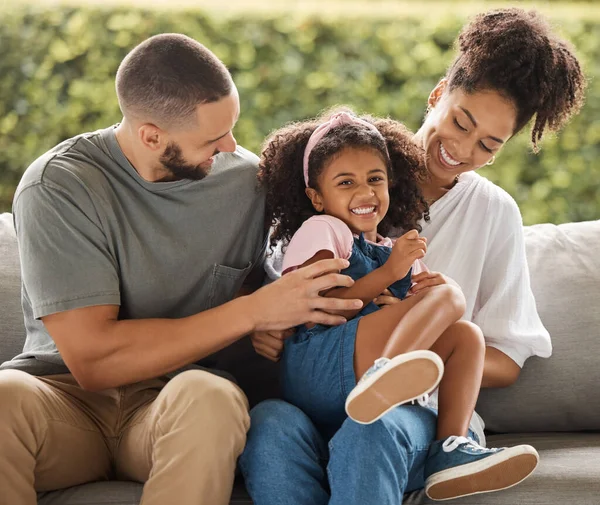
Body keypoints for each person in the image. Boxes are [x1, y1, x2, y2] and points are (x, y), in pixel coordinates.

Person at [240, 7, 586, 505]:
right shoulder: (355, 169)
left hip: (414, 409)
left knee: (373, 429)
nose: (463, 149)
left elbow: (508, 359)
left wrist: (421, 348)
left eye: (489, 144)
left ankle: (414, 407)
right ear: (438, 94)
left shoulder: (493, 213)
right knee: (269, 425)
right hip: (317, 384)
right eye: (460, 122)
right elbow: (278, 283)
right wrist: (267, 323)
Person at [0, 34, 363, 505]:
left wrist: (271, 324)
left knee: (210, 398)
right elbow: (93, 360)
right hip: (65, 403)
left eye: (231, 128)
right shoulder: (60, 186)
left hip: (175, 406)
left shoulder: (246, 185)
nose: (231, 145)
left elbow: (286, 277)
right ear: (152, 135)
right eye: (213, 139)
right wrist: (251, 313)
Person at [257, 108, 539, 499]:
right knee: (451, 294)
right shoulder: (323, 229)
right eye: (345, 182)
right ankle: (386, 373)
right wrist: (390, 276)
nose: (365, 192)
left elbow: (416, 309)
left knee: (465, 335)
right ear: (316, 197)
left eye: (375, 179)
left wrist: (409, 300)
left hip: (357, 367)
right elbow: (318, 305)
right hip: (322, 361)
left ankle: (450, 448)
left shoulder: (395, 249)